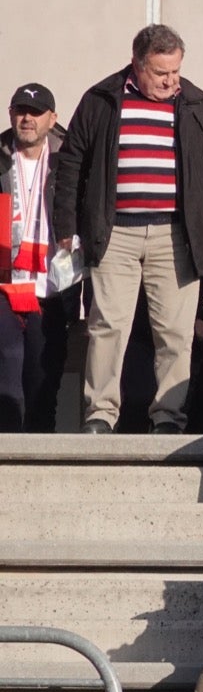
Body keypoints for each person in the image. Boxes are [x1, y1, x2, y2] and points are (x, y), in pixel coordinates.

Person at [52, 24, 203, 435]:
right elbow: (71, 164)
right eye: (160, 73)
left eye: (175, 71)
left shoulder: (197, 103)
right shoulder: (101, 99)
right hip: (113, 233)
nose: (171, 81)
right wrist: (66, 224)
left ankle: (168, 417)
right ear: (137, 65)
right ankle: (100, 414)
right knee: (107, 326)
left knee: (174, 332)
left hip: (177, 235)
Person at [0, 82, 82, 433]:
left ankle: (36, 468)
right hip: (5, 283)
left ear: (53, 118)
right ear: (10, 115)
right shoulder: (1, 157)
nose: (27, 119)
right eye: (20, 111)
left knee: (43, 382)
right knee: (6, 378)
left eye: (35, 113)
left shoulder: (71, 161)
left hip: (52, 286)